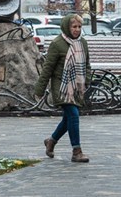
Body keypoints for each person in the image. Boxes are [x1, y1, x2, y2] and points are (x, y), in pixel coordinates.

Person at [34, 13, 92, 163]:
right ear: (67, 27)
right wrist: (39, 89)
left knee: (68, 119)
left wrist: (87, 80)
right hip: (61, 86)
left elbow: (87, 65)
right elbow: (48, 68)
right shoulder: (57, 44)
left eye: (79, 27)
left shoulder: (82, 43)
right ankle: (76, 151)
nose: (77, 30)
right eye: (74, 27)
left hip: (77, 86)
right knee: (73, 114)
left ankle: (51, 141)